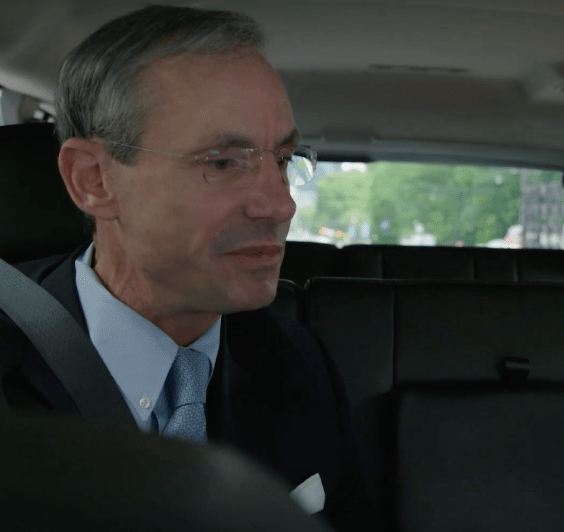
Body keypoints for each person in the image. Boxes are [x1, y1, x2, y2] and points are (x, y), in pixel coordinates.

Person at [0, 6, 377, 530]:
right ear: (93, 180)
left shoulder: (297, 362)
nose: (281, 205)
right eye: (223, 162)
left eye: (282, 160)